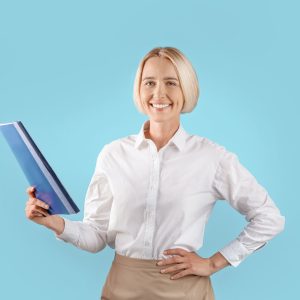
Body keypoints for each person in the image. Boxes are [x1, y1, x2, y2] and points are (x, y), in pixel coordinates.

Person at [25, 47, 285, 300]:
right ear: (139, 89)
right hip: (121, 289)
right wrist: (53, 223)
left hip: (184, 292)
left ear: (186, 89)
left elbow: (269, 218)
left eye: (171, 82)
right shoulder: (113, 154)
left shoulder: (212, 157)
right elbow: (96, 236)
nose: (159, 93)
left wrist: (214, 263)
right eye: (149, 82)